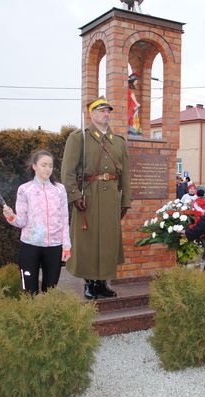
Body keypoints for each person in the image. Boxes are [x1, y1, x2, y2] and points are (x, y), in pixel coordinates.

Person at [61, 96, 131, 299]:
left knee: (108, 241)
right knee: (88, 241)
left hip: (111, 200)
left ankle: (102, 283)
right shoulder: (79, 138)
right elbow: (68, 171)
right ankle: (89, 283)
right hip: (88, 196)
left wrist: (125, 199)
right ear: (91, 114)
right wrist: (74, 195)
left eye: (108, 111)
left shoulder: (118, 142)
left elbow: (125, 174)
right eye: (101, 110)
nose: (106, 114)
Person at [3, 150, 71, 294]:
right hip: (30, 246)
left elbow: (65, 219)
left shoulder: (59, 189)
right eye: (44, 165)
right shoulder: (25, 190)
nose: (48, 169)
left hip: (54, 246)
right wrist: (10, 217)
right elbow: (21, 222)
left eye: (50, 166)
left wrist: (66, 246)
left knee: (50, 291)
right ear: (34, 166)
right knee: (28, 291)